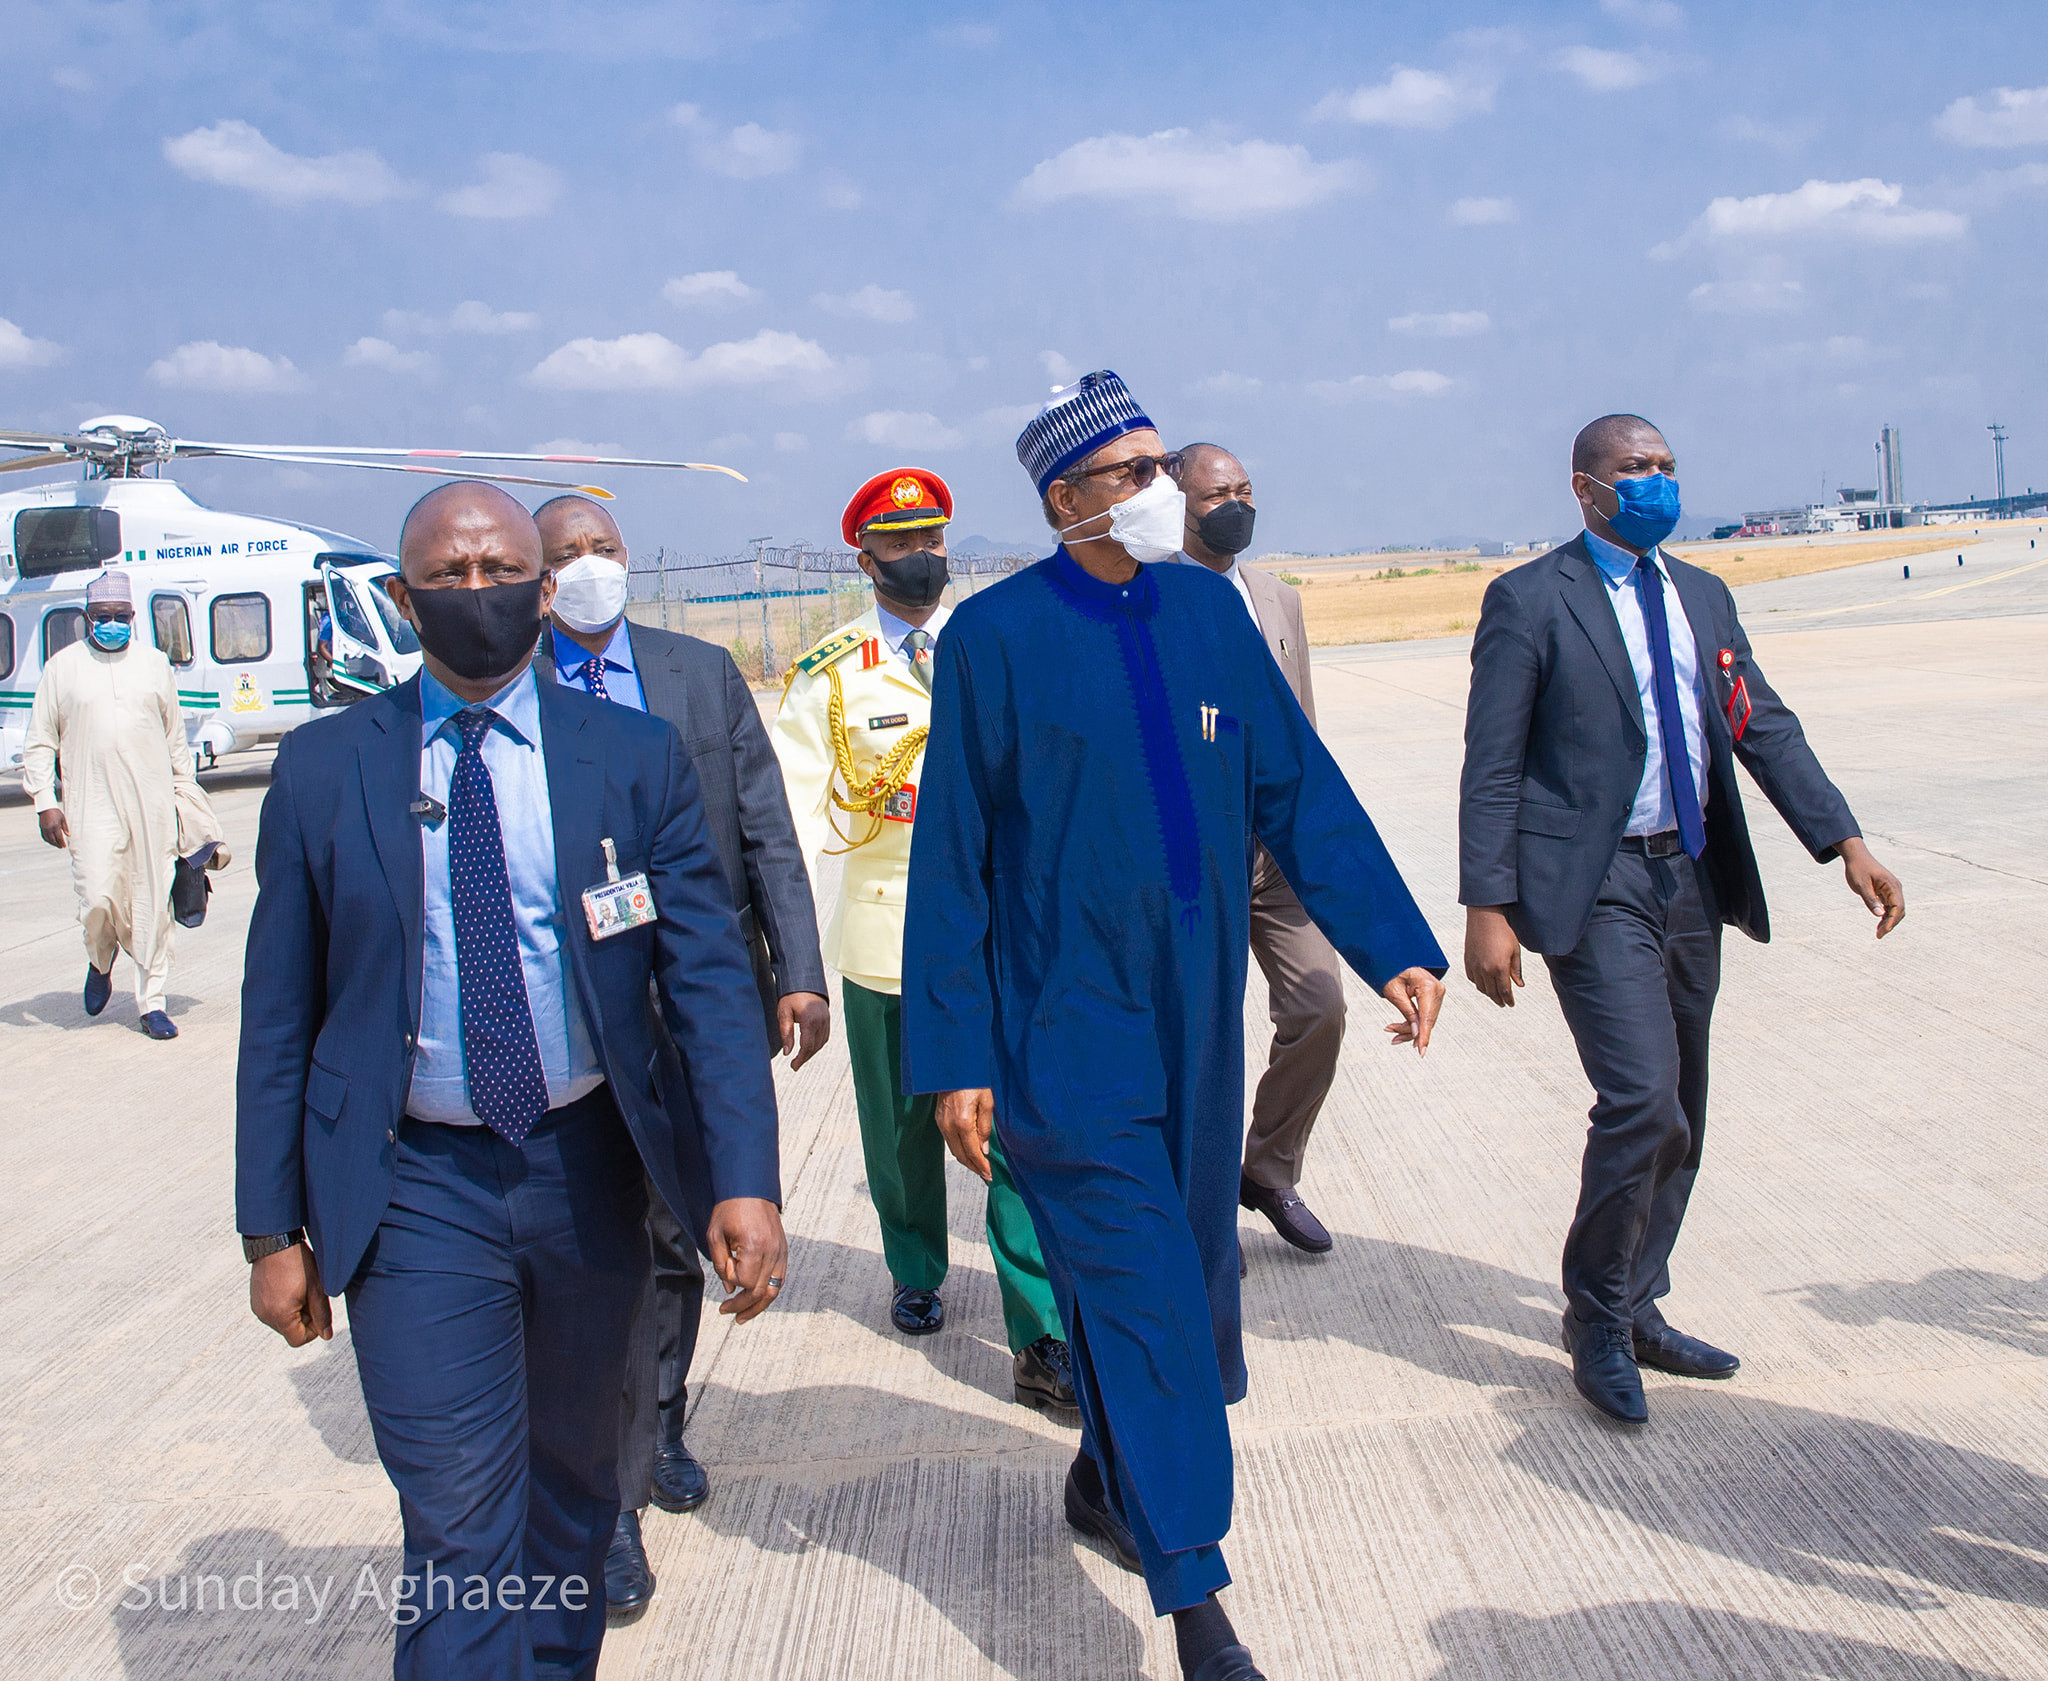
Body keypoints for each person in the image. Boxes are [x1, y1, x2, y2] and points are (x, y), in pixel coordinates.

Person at [901, 373, 1448, 1681]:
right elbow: (957, 865)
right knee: (1146, 1291)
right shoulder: (994, 640)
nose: (1163, 491)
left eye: (1163, 469)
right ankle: (1197, 1599)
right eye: (1134, 472)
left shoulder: (1210, 612)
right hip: (1063, 1027)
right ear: (1064, 498)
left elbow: (1296, 790)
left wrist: (1393, 946)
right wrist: (958, 1055)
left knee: (1183, 1283)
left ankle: (1106, 1474)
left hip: (1196, 1020)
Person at [235, 482, 788, 1679]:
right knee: (457, 1522)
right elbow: (279, 1014)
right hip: (414, 1185)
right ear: (401, 596)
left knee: (577, 1488)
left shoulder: (632, 759)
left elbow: (702, 981)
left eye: (501, 570)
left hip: (588, 1175)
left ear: (543, 590)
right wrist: (268, 1226)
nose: (476, 592)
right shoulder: (327, 770)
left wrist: (742, 1177)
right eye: (448, 572)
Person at [1459, 413, 1906, 1427]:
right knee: (1640, 1100)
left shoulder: (1699, 597)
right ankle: (1596, 1317)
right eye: (1632, 469)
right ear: (1584, 488)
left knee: (1684, 1112)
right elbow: (1490, 765)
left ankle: (1638, 1298)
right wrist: (1486, 904)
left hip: (1689, 878)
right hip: (1593, 881)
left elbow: (1760, 726)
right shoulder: (1529, 600)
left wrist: (1843, 842)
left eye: (1663, 466)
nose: (1653, 482)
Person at [533, 492, 828, 1617]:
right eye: (565, 555)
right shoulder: (514, 684)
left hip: (697, 1005)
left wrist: (795, 967)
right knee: (589, 1244)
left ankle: (657, 1425)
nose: (588, 569)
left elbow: (763, 829)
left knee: (674, 1235)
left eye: (604, 549)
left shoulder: (699, 674)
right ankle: (605, 1506)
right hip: (572, 1021)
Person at [772, 467, 1077, 1417]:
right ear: (865, 557)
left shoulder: (1002, 644)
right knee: (901, 1129)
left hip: (1003, 939)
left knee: (1017, 1132)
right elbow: (785, 814)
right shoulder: (829, 674)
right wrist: (792, 958)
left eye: (933, 540)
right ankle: (914, 1262)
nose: (923, 558)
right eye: (902, 545)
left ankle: (1039, 1329)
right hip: (889, 937)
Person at [1170, 443, 1348, 1256]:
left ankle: (1269, 1169)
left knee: (1320, 1006)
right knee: (1201, 1038)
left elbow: (1300, 724)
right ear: (1177, 505)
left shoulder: (1278, 599)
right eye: (1216, 494)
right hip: (1193, 853)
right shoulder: (1155, 600)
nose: (1235, 504)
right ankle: (1197, 1205)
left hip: (1276, 851)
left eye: (1244, 490)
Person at [23, 569, 225, 1040]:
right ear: (86, 617)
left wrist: (186, 799)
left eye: (120, 615)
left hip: (152, 806)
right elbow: (39, 743)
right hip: (89, 806)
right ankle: (100, 958)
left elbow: (176, 741)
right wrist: (44, 802)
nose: (111, 622)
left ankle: (152, 1002)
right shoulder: (62, 668)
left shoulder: (155, 664)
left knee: (152, 905)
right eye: (102, 615)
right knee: (96, 897)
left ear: (133, 617)